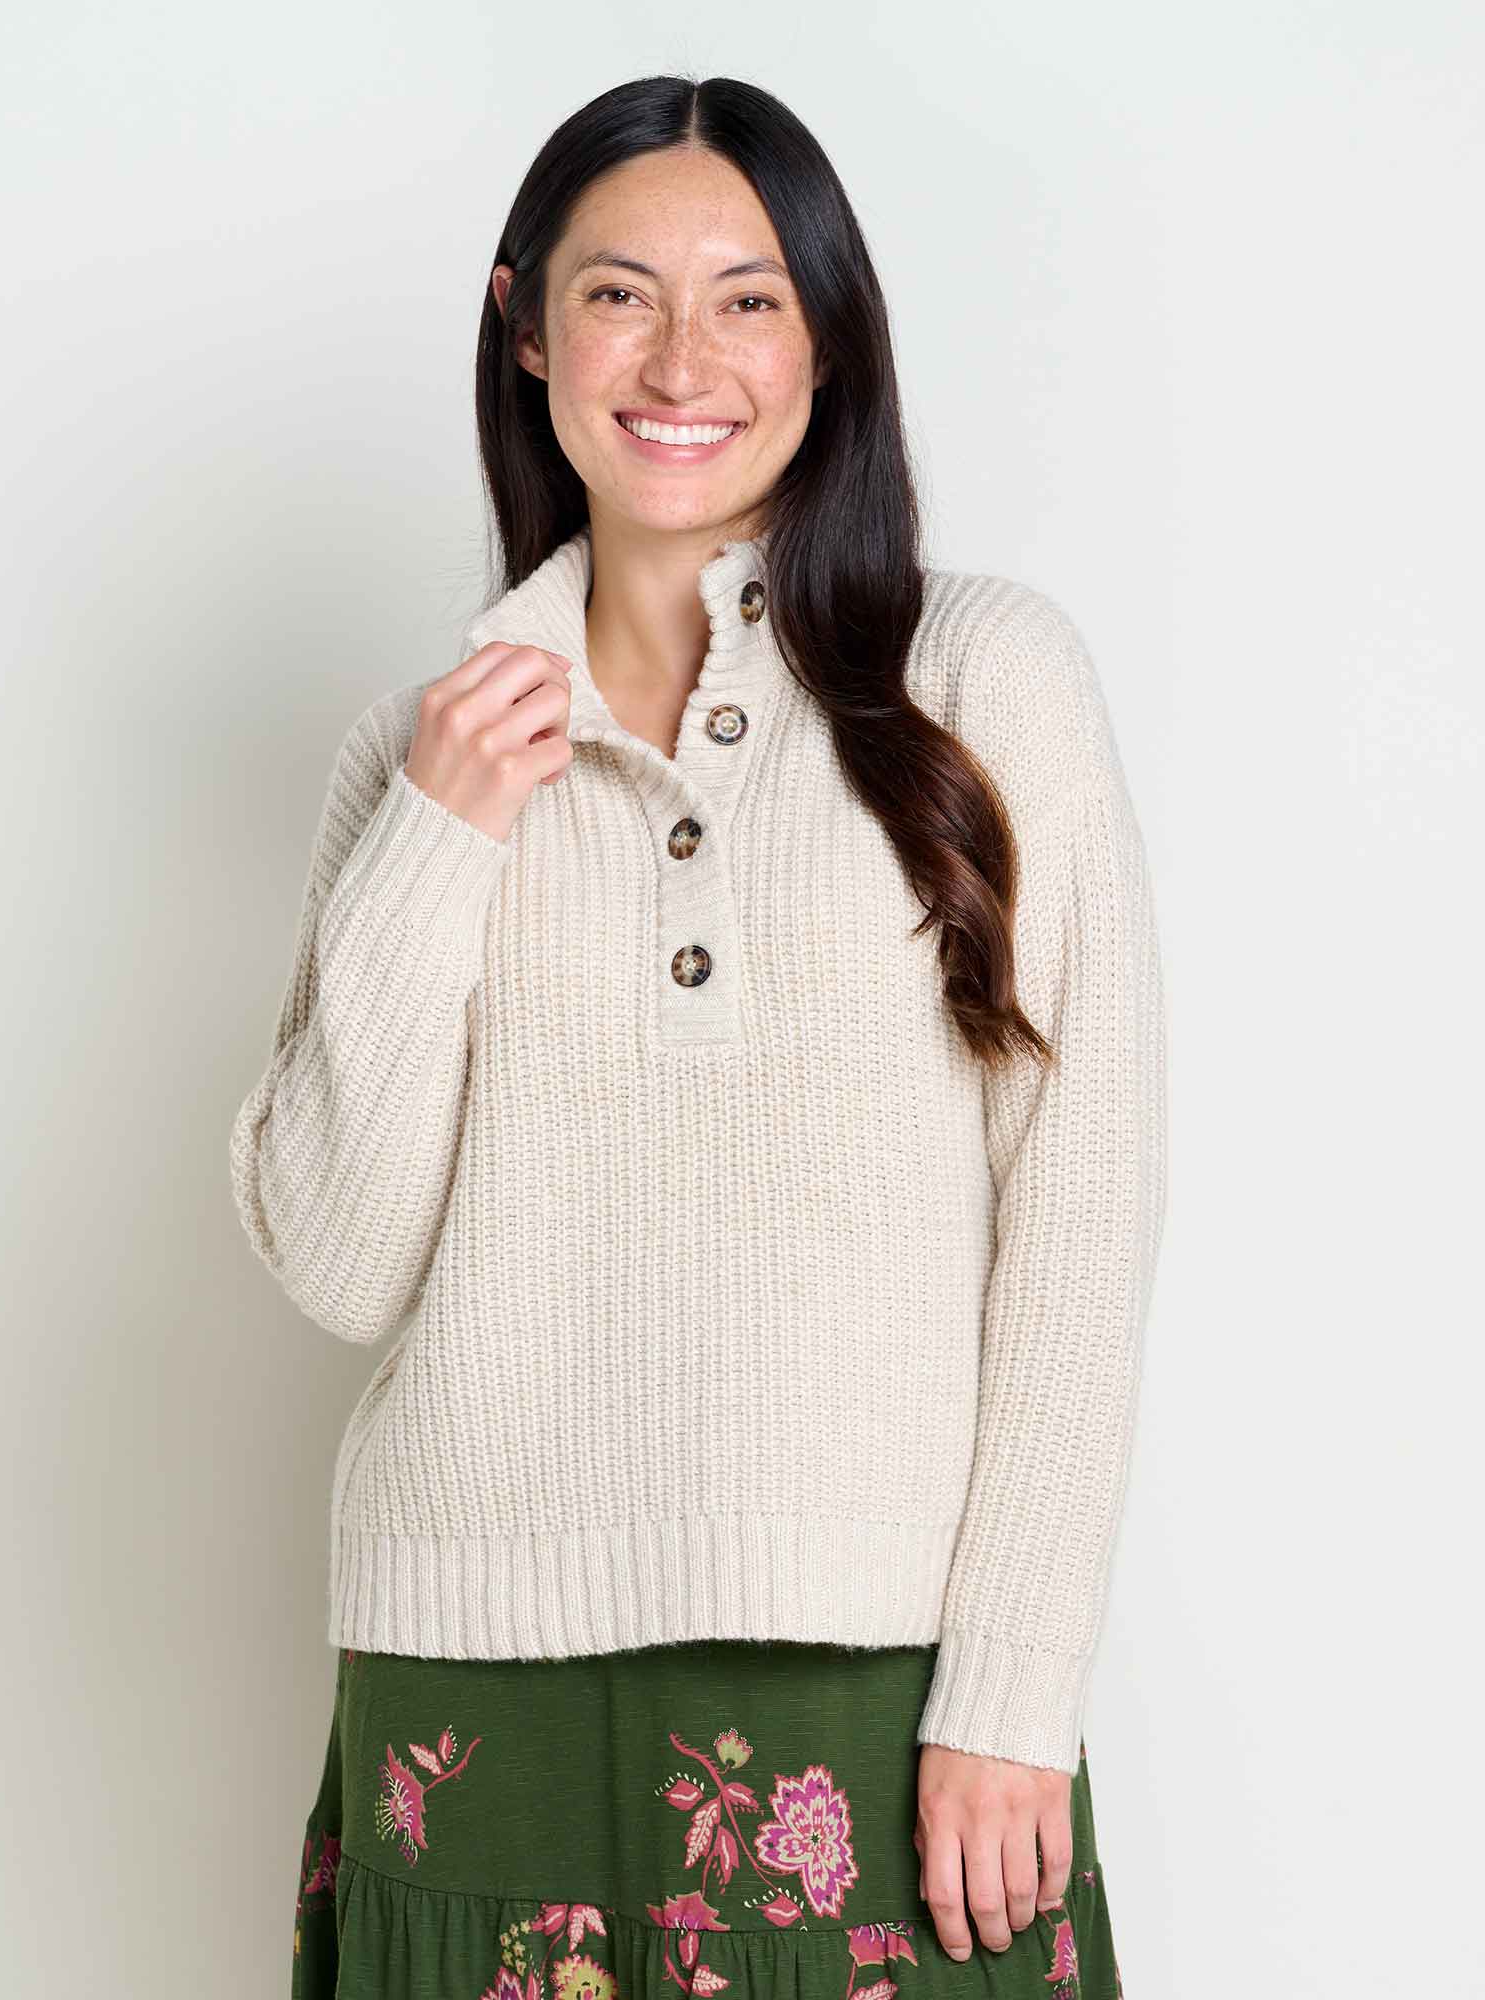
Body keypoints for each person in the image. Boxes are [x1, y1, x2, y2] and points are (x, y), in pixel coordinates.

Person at [231, 73, 1167, 2000]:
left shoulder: (984, 683)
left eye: (749, 298)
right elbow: (335, 1261)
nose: (681, 361)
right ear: (525, 327)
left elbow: (1084, 1220)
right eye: (618, 295)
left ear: (829, 337)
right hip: (470, 1690)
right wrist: (442, 831)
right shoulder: (417, 757)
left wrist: (1013, 1686)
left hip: (883, 1687)